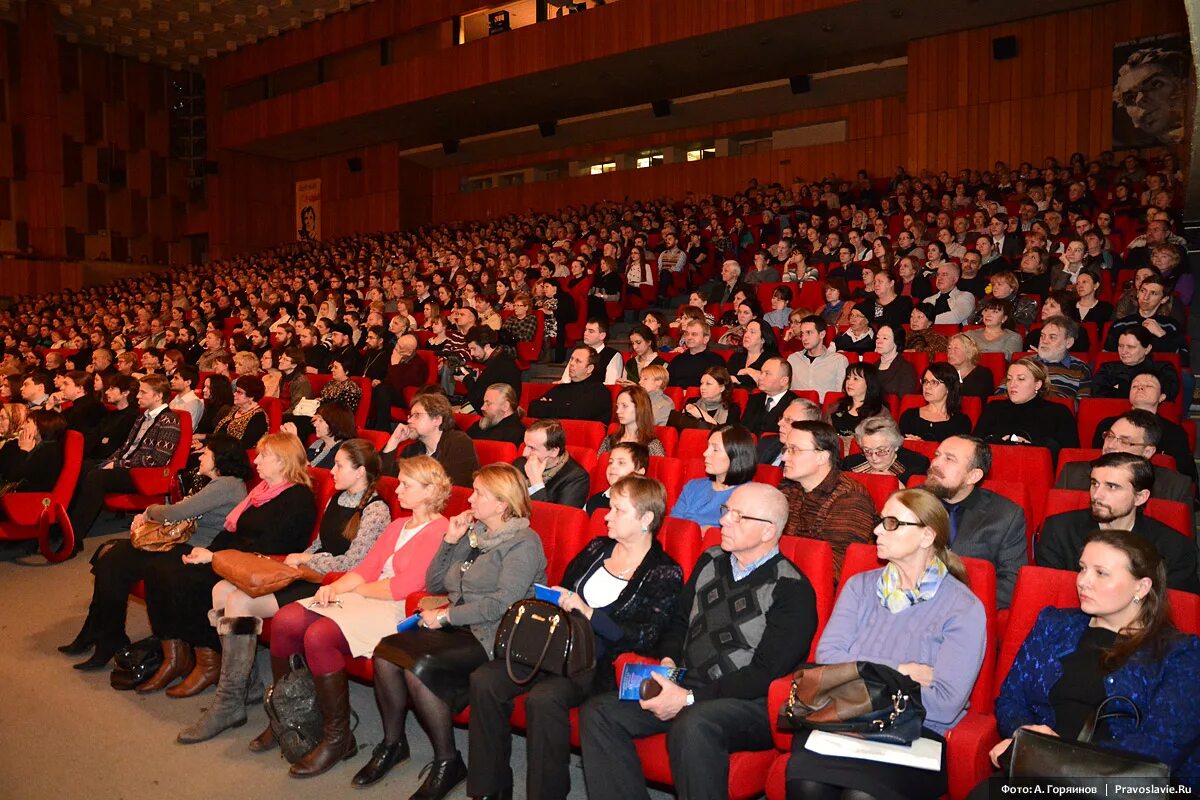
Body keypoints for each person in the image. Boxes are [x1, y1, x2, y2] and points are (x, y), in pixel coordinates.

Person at [581, 482, 818, 800]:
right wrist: (668, 662)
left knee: (694, 723)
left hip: (750, 705)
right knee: (599, 712)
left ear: (767, 531)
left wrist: (689, 698)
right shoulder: (711, 560)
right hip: (688, 684)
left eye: (738, 516)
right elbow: (678, 622)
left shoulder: (792, 589)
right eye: (726, 511)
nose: (724, 521)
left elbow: (766, 674)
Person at [468, 475, 684, 800]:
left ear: (646, 519)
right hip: (553, 646)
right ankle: (491, 788)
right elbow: (566, 591)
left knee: (544, 699)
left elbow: (645, 636)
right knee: (485, 679)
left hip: (595, 664)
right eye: (609, 508)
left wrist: (589, 613)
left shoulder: (663, 571)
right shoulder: (597, 548)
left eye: (618, 510)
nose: (606, 516)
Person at [176, 439, 391, 749]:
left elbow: (355, 562)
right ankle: (245, 684)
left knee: (237, 601)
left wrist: (305, 560)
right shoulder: (336, 499)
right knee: (221, 589)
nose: (332, 470)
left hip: (333, 583)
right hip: (309, 572)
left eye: (340, 465)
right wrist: (299, 558)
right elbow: (318, 543)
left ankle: (229, 704)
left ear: (360, 472)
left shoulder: (376, 511)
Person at [785, 488, 986, 800]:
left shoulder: (963, 607)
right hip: (845, 721)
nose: (877, 529)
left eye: (892, 523)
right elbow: (828, 657)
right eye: (881, 521)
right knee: (806, 784)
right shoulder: (860, 586)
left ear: (926, 536)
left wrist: (859, 675)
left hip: (914, 733)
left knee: (861, 796)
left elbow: (944, 704)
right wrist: (900, 671)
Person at [363, 464, 546, 797]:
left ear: (502, 503)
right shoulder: (476, 535)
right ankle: (392, 743)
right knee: (386, 652)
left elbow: (502, 604)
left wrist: (447, 616)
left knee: (419, 669)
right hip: (458, 624)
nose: (470, 498)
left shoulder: (523, 542)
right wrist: (450, 540)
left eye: (479, 493)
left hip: (491, 633)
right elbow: (434, 582)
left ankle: (448, 760)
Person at [263, 455, 449, 777]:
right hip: (369, 596)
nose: (398, 488)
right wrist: (337, 588)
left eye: (406, 483)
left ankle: (338, 738)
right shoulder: (397, 525)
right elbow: (364, 570)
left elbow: (403, 588)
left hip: (395, 608)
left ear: (430, 490)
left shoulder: (439, 529)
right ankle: (287, 715)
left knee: (318, 635)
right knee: (285, 620)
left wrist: (348, 592)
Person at [985, 531, 1200, 787]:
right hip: (1038, 771)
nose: (1083, 581)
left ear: (1141, 587)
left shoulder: (1179, 653)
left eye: (1101, 573)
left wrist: (1060, 757)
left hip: (1116, 786)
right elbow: (1011, 699)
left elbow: (1163, 745)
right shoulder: (1053, 624)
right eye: (1083, 568)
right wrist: (1026, 732)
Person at [137, 433, 317, 695]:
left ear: (282, 462)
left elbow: (271, 546)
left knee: (186, 579)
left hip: (258, 565)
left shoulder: (297, 498)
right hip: (231, 556)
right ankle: (175, 654)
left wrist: (215, 557)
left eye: (264, 456)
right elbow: (233, 530)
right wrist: (209, 551)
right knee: (159, 568)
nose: (256, 461)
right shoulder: (261, 492)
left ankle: (208, 658)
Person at [60, 436, 252, 670]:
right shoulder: (216, 483)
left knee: (114, 559)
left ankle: (104, 637)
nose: (200, 456)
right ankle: (103, 634)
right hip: (178, 541)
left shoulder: (227, 485)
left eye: (206, 453)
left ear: (219, 459)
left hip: (192, 548)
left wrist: (148, 510)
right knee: (109, 558)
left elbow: (178, 512)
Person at [1038, 453, 1199, 593]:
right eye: (1094, 483)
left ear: (1140, 497)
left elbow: (1175, 610)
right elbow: (1051, 594)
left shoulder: (1174, 547)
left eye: (1112, 487)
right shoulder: (1059, 529)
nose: (1097, 495)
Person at [67, 374, 183, 546]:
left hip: (144, 474)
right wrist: (108, 461)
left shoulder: (170, 420)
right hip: (128, 467)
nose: (137, 396)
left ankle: (74, 538)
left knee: (96, 477)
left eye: (143, 393)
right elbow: (125, 448)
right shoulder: (143, 417)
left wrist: (117, 464)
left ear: (158, 396)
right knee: (81, 467)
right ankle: (63, 523)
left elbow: (158, 459)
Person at [923, 435, 1027, 608]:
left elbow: (1011, 583)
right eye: (937, 454)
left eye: (949, 459)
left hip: (966, 612)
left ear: (973, 476)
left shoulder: (1005, 515)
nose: (935, 463)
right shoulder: (910, 502)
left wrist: (954, 602)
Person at [779, 420, 879, 576]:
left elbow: (834, 569)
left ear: (822, 457)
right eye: (785, 449)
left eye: (794, 450)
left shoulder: (851, 499)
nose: (784, 457)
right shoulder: (790, 488)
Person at [1057, 410, 1191, 505]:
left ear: (1148, 452)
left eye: (1124, 441)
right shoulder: (1072, 475)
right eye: (1110, 436)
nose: (1111, 446)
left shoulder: (1174, 486)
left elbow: (1180, 543)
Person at [1092, 372, 1196, 487]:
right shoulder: (1107, 425)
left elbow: (1185, 474)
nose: (1140, 388)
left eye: (1149, 386)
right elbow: (1096, 460)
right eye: (1135, 386)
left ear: (1162, 397)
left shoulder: (1175, 432)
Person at [974, 358, 1079, 456]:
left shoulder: (1058, 412)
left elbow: (1069, 455)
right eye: (1009, 379)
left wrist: (1031, 446)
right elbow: (974, 444)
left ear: (1037, 385)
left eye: (1021, 379)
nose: (1012, 384)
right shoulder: (994, 408)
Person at [381, 391, 478, 486]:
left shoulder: (459, 442)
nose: (409, 420)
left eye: (417, 415)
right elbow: (387, 482)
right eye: (410, 415)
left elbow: (449, 486)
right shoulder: (412, 450)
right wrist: (394, 440)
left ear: (437, 420)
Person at [669, 425, 756, 529]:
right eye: (708, 446)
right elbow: (673, 526)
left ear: (736, 455)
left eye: (715, 449)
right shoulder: (693, 486)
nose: (705, 453)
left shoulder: (750, 496)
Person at [513, 418, 590, 508]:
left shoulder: (576, 477)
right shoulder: (520, 464)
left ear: (554, 452)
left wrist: (536, 481)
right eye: (525, 445)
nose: (524, 453)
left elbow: (559, 518)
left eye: (532, 448)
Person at [529, 347, 613, 425]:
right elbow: (533, 408)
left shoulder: (600, 392)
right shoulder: (560, 388)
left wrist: (551, 405)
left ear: (589, 368)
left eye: (578, 361)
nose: (571, 363)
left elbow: (577, 415)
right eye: (571, 359)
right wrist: (566, 407)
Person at [1093, 326, 1179, 400]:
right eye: (1120, 346)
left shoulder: (1163, 369)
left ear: (1147, 349)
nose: (1123, 351)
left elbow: (1167, 393)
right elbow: (1097, 393)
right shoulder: (1107, 368)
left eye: (1130, 347)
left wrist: (1120, 388)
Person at [842, 416, 929, 486]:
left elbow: (918, 503)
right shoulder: (850, 464)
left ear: (895, 446)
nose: (874, 457)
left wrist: (894, 483)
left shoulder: (916, 465)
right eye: (867, 451)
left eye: (881, 451)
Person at [899, 363, 972, 442]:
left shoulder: (961, 422)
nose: (927, 386)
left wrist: (923, 445)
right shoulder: (909, 416)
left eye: (934, 382)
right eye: (925, 381)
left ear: (949, 387)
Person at [0, 409, 66, 492]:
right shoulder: (32, 445)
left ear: (41, 426)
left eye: (28, 422)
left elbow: (13, 477)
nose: (22, 426)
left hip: (27, 498)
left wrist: (23, 451)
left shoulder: (49, 451)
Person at [787, 315, 848, 402]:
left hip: (825, 411)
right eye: (802, 333)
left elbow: (840, 395)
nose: (804, 338)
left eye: (809, 333)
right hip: (797, 409)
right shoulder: (793, 359)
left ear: (822, 334)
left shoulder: (838, 360)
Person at [1030, 315, 1093, 400]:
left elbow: (1083, 405)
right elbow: (1006, 394)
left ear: (1068, 343)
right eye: (1042, 335)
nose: (1044, 341)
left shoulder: (1081, 368)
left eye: (1052, 337)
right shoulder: (1025, 363)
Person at [463, 326, 521, 414]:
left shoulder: (496, 366)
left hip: (498, 414)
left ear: (486, 346)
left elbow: (477, 400)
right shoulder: (502, 358)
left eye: (474, 349)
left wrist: (466, 379)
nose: (472, 353)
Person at [283, 401, 355, 468]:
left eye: (320, 421)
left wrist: (294, 442)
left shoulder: (342, 451)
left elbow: (311, 473)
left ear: (334, 424)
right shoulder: (318, 443)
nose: (315, 424)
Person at [827, 362, 889, 438]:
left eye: (855, 379)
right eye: (848, 378)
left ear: (869, 383)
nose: (849, 382)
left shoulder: (879, 413)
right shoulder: (835, 407)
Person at [670, 366, 741, 431]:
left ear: (722, 388)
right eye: (701, 383)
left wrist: (702, 414)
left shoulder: (733, 408)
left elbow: (728, 435)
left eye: (708, 384)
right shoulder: (692, 402)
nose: (702, 387)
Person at [586, 441, 649, 514]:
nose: (612, 466)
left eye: (621, 463)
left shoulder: (645, 505)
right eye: (610, 462)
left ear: (639, 472)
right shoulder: (595, 500)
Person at [757, 396, 822, 467]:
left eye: (788, 420)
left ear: (806, 428)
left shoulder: (809, 459)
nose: (779, 423)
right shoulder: (767, 442)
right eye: (781, 418)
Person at [601, 385, 665, 456]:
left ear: (639, 407)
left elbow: (657, 466)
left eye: (624, 406)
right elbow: (600, 464)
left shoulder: (651, 445)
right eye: (617, 406)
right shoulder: (610, 440)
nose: (618, 411)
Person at [559, 319, 623, 386]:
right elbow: (565, 380)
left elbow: (610, 385)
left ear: (602, 336)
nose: (585, 333)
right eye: (585, 330)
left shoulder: (612, 355)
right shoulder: (578, 352)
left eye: (591, 331)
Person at [740, 356, 793, 437]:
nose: (760, 377)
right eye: (761, 372)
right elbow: (743, 430)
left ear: (783, 381)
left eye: (767, 374)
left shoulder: (794, 405)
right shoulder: (754, 399)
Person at [667, 320, 726, 389]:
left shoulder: (716, 361)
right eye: (687, 334)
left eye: (694, 334)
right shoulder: (676, 360)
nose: (689, 337)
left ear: (705, 339)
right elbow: (667, 386)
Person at [726, 319, 777, 389]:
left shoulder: (771, 359)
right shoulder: (736, 357)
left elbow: (765, 382)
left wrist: (747, 371)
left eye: (752, 332)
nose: (746, 335)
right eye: (746, 331)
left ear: (762, 340)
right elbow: (727, 378)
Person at [874, 323, 918, 397]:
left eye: (885, 338)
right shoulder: (873, 367)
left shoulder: (906, 368)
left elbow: (905, 400)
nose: (878, 341)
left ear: (896, 342)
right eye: (878, 338)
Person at [945, 334, 995, 398]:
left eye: (956, 348)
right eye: (949, 348)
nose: (950, 352)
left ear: (969, 352)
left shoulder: (983, 374)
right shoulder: (944, 373)